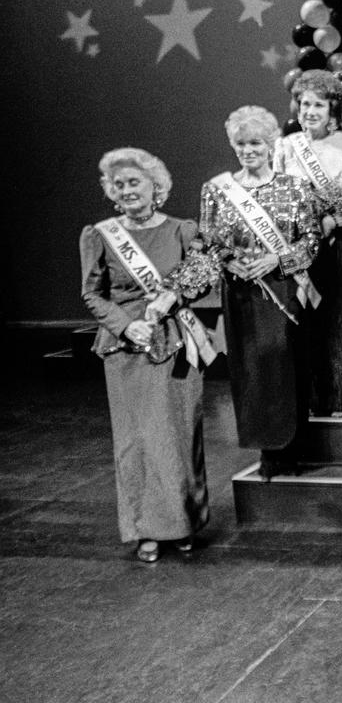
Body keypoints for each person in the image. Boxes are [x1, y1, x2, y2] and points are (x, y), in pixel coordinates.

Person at [80, 147, 210, 562]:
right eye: (118, 185)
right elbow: (91, 293)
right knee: (137, 441)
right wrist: (124, 323)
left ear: (157, 186)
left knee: (178, 434)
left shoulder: (182, 231)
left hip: (174, 342)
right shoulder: (99, 234)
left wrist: (174, 294)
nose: (126, 190)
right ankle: (146, 529)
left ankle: (184, 522)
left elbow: (202, 281)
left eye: (134, 182)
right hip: (126, 349)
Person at [200, 106, 320, 479]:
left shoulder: (295, 187)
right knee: (251, 371)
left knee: (284, 368)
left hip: (283, 291)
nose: (248, 150)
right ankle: (266, 450)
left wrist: (276, 261)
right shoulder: (216, 191)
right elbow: (210, 242)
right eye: (241, 144)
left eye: (255, 143)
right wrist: (230, 263)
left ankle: (291, 448)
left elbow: (312, 240)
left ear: (270, 145)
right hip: (241, 294)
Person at [281, 69, 342, 416]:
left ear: (332, 109)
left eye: (318, 104)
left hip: (340, 241)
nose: (310, 111)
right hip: (302, 243)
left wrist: (332, 220)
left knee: (341, 315)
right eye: (304, 103)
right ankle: (313, 396)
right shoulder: (286, 146)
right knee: (307, 318)